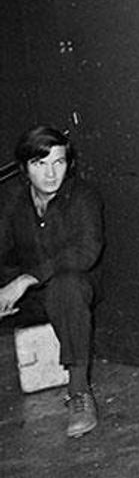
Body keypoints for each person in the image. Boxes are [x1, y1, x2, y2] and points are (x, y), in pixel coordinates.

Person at [0, 125, 105, 437]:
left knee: (66, 285)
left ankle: (79, 392)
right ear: (24, 167)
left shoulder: (83, 196)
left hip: (74, 291)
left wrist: (26, 279)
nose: (50, 174)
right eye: (39, 164)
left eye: (58, 162)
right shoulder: (12, 201)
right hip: (29, 298)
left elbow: (85, 251)